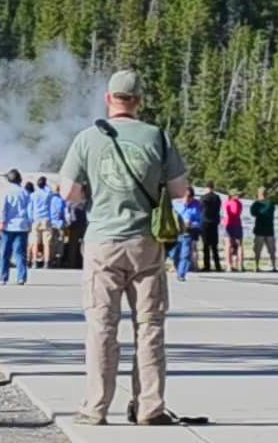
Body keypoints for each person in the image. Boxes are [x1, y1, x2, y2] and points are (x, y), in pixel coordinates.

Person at [57, 68, 190, 427]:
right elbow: (180, 190)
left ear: (108, 99)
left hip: (103, 241)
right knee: (150, 326)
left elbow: (68, 192)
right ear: (139, 101)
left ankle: (95, 407)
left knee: (102, 326)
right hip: (146, 242)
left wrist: (93, 195)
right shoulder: (158, 137)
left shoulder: (87, 138)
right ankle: (149, 407)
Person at [0, 167, 32, 285]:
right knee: (20, 253)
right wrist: (29, 223)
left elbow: (2, 208)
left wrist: (1, 222)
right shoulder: (25, 192)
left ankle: (3, 277)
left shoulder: (5, 191)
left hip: (8, 226)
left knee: (5, 253)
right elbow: (30, 210)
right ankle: (21, 277)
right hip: (22, 225)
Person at [174, 188, 202, 281]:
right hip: (176, 232)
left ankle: (181, 274)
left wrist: (192, 224)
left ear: (192, 197)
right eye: (185, 196)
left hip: (188, 232)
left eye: (189, 196)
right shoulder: (176, 204)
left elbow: (199, 221)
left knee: (185, 254)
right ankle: (178, 268)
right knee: (174, 254)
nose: (186, 198)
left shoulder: (196, 206)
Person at [30, 176, 57, 269]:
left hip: (36, 219)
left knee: (35, 242)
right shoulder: (47, 194)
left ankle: (34, 261)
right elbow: (52, 192)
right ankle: (46, 262)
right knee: (47, 243)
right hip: (46, 219)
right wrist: (47, 186)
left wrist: (31, 219)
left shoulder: (33, 195)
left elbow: (30, 208)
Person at [248, 187, 277, 272]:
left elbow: (254, 213)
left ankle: (257, 266)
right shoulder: (270, 203)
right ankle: (273, 266)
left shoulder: (257, 204)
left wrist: (258, 208)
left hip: (261, 229)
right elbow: (254, 213)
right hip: (267, 229)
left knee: (259, 249)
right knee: (270, 250)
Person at [198, 184, 222, 273]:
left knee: (206, 245)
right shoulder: (217, 198)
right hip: (214, 222)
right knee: (214, 245)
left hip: (205, 222)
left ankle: (206, 265)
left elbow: (200, 208)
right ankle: (217, 265)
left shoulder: (203, 198)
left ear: (207, 188)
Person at [222, 188, 245, 272]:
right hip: (237, 224)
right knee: (239, 245)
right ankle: (240, 265)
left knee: (228, 245)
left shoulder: (227, 203)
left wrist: (223, 221)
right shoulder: (239, 203)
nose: (238, 196)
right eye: (236, 194)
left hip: (229, 225)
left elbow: (226, 214)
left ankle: (229, 265)